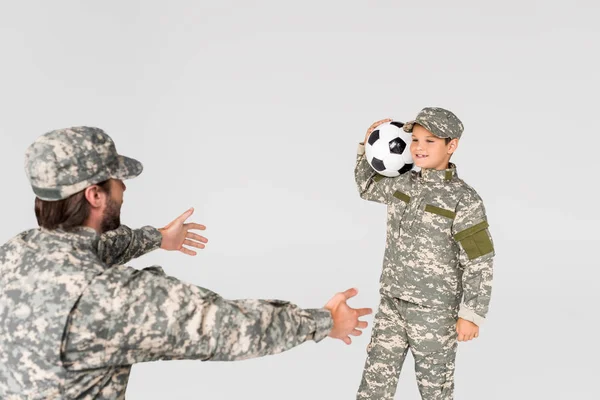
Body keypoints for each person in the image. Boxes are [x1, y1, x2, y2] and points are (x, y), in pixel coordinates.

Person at [0, 126, 372, 399]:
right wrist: (325, 321)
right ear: (95, 195)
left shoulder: (15, 253)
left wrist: (159, 237)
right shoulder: (107, 298)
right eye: (117, 181)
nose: (124, 189)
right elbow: (227, 328)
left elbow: (89, 250)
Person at [354, 108, 495, 399]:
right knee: (374, 386)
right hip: (392, 303)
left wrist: (472, 313)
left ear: (451, 146)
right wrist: (366, 145)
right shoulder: (402, 183)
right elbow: (366, 186)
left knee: (435, 390)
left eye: (430, 141)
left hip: (435, 312)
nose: (419, 147)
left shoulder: (464, 199)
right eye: (415, 140)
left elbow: (479, 260)